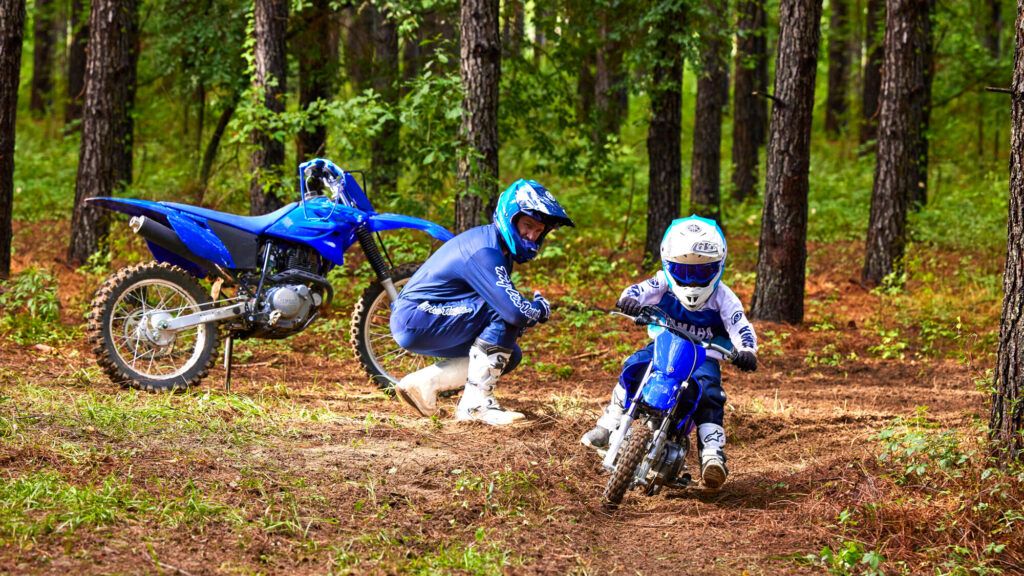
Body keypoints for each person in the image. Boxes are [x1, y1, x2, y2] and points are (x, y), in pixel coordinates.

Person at [579, 215, 757, 489]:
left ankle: (712, 454)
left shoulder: (723, 296)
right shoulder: (662, 282)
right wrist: (630, 300)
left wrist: (746, 350)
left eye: (701, 272)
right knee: (634, 366)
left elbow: (739, 325)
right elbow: (640, 290)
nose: (693, 281)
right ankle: (608, 423)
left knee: (709, 392)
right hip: (664, 345)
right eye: (684, 271)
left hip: (704, 357)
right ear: (668, 264)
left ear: (717, 267)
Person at [388, 179, 574, 425]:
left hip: (419, 318)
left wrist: (525, 314)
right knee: (503, 313)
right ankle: (476, 406)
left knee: (510, 354)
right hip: (417, 316)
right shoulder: (486, 251)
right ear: (511, 217)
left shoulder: (498, 248)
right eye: (528, 225)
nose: (532, 236)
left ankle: (423, 384)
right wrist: (538, 309)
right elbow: (513, 311)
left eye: (539, 231)